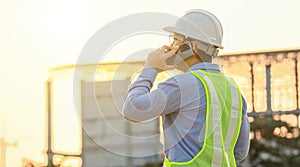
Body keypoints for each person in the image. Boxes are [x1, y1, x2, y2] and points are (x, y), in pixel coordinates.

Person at [122, 9, 250, 167]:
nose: (171, 47)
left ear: (190, 46)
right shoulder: (234, 91)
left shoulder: (182, 84)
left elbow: (132, 109)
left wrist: (151, 68)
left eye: (176, 40)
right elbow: (240, 152)